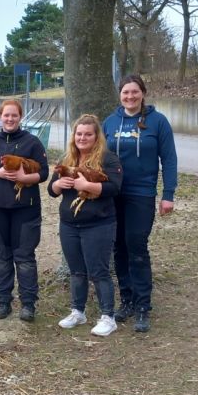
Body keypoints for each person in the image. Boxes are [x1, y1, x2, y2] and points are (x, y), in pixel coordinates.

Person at [103, 74, 178, 333]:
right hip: (113, 193)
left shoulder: (158, 122)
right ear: (120, 95)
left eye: (135, 92)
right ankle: (126, 300)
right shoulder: (110, 122)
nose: (130, 96)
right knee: (118, 247)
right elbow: (97, 155)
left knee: (136, 246)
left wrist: (168, 194)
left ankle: (143, 304)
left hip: (142, 194)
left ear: (143, 93)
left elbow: (169, 159)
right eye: (125, 92)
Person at [0, 99, 49, 322]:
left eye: (14, 115)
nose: (10, 119)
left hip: (25, 209)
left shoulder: (32, 142)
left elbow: (44, 173)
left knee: (25, 257)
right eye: (6, 115)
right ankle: (3, 301)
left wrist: (25, 178)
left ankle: (28, 303)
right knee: (1, 256)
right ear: (0, 117)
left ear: (20, 117)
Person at [48, 114, 123, 336]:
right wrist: (58, 185)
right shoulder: (67, 158)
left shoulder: (108, 159)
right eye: (79, 134)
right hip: (69, 224)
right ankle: (78, 311)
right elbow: (51, 190)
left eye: (88, 134)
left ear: (96, 136)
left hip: (98, 223)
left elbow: (114, 188)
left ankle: (108, 317)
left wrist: (86, 185)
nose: (82, 138)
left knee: (98, 271)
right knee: (77, 271)